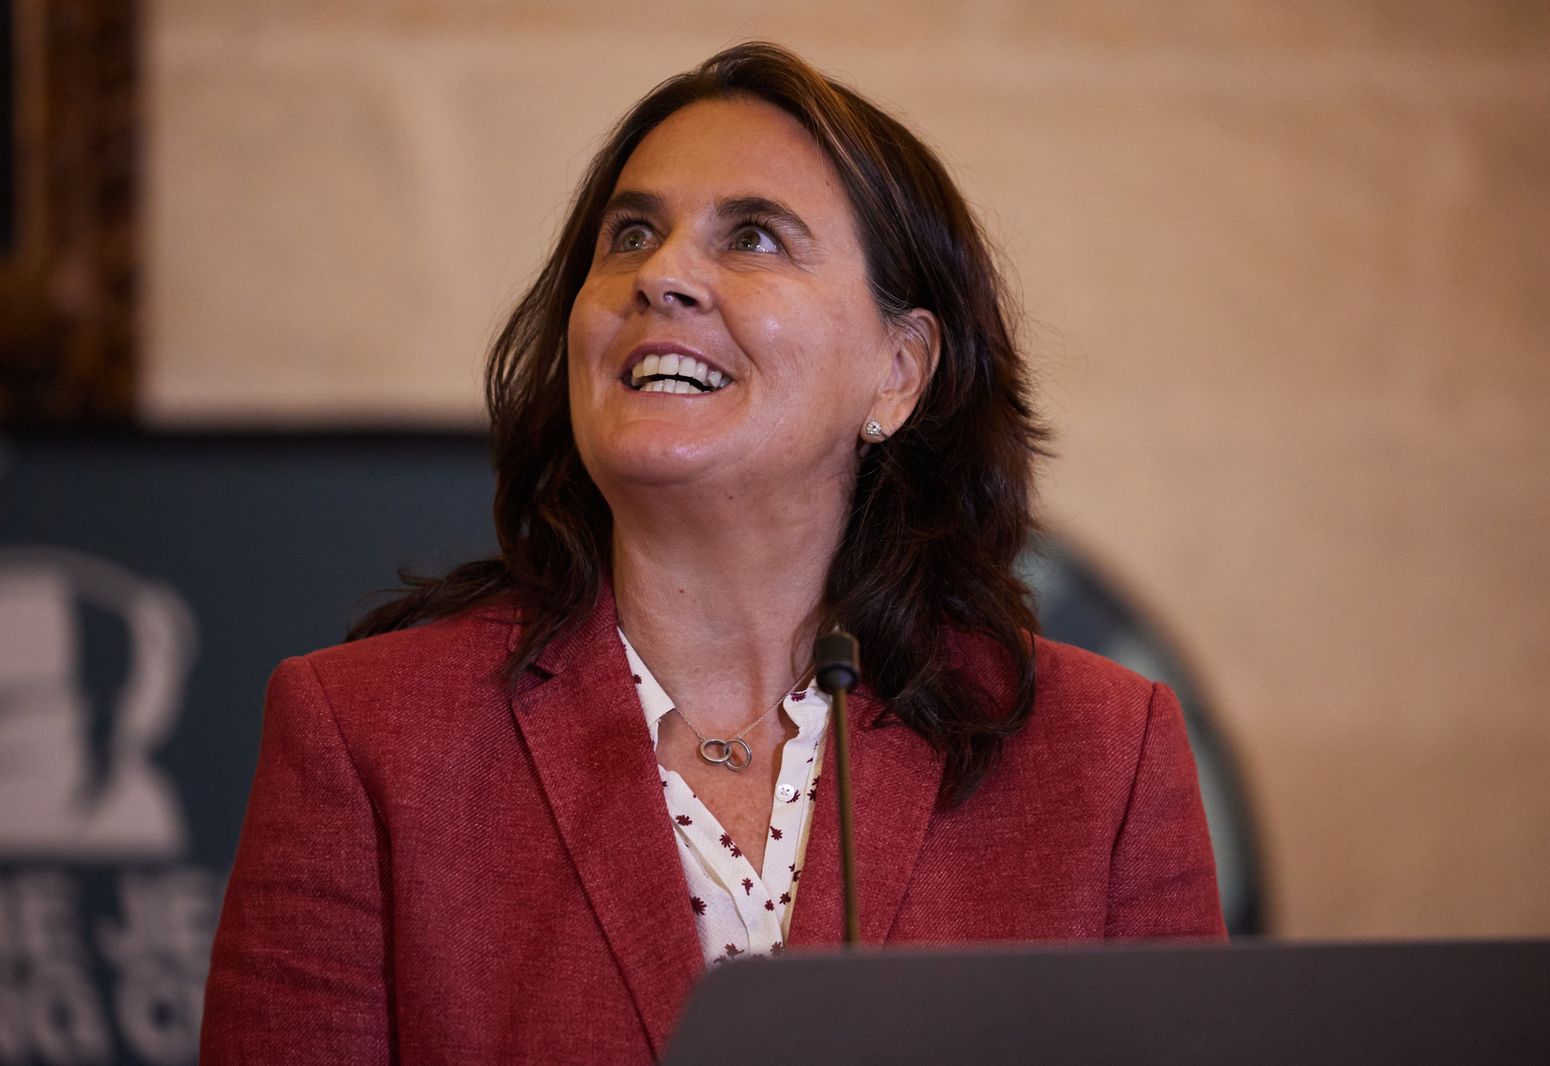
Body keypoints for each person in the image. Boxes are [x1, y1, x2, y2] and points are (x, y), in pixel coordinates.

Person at [201, 41, 1222, 1064]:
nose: (662, 275)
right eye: (631, 233)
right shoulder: (367, 736)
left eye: (754, 239)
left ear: (897, 373)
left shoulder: (1100, 755)